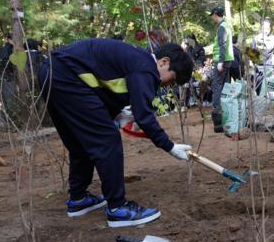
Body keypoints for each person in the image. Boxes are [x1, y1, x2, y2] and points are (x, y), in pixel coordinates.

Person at [38, 39, 194, 227]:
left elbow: (104, 89)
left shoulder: (136, 60)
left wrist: (118, 115)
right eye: (173, 78)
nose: (168, 85)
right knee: (107, 140)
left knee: (80, 143)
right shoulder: (146, 66)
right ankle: (118, 209)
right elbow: (144, 116)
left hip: (52, 72)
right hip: (66, 75)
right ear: (164, 62)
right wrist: (170, 147)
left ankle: (78, 200)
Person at [210, 5, 234, 133]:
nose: (212, 18)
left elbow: (222, 44)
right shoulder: (226, 25)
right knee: (225, 86)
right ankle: (227, 114)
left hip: (222, 61)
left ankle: (218, 116)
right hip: (227, 60)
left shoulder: (222, 27)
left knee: (217, 87)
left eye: (212, 16)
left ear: (215, 14)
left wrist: (220, 61)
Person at [251, 18, 274, 91]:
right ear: (261, 28)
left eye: (268, 28)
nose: (266, 30)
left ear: (270, 28)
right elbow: (251, 57)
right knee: (258, 90)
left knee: (268, 91)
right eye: (264, 28)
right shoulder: (256, 39)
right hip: (258, 70)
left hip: (270, 70)